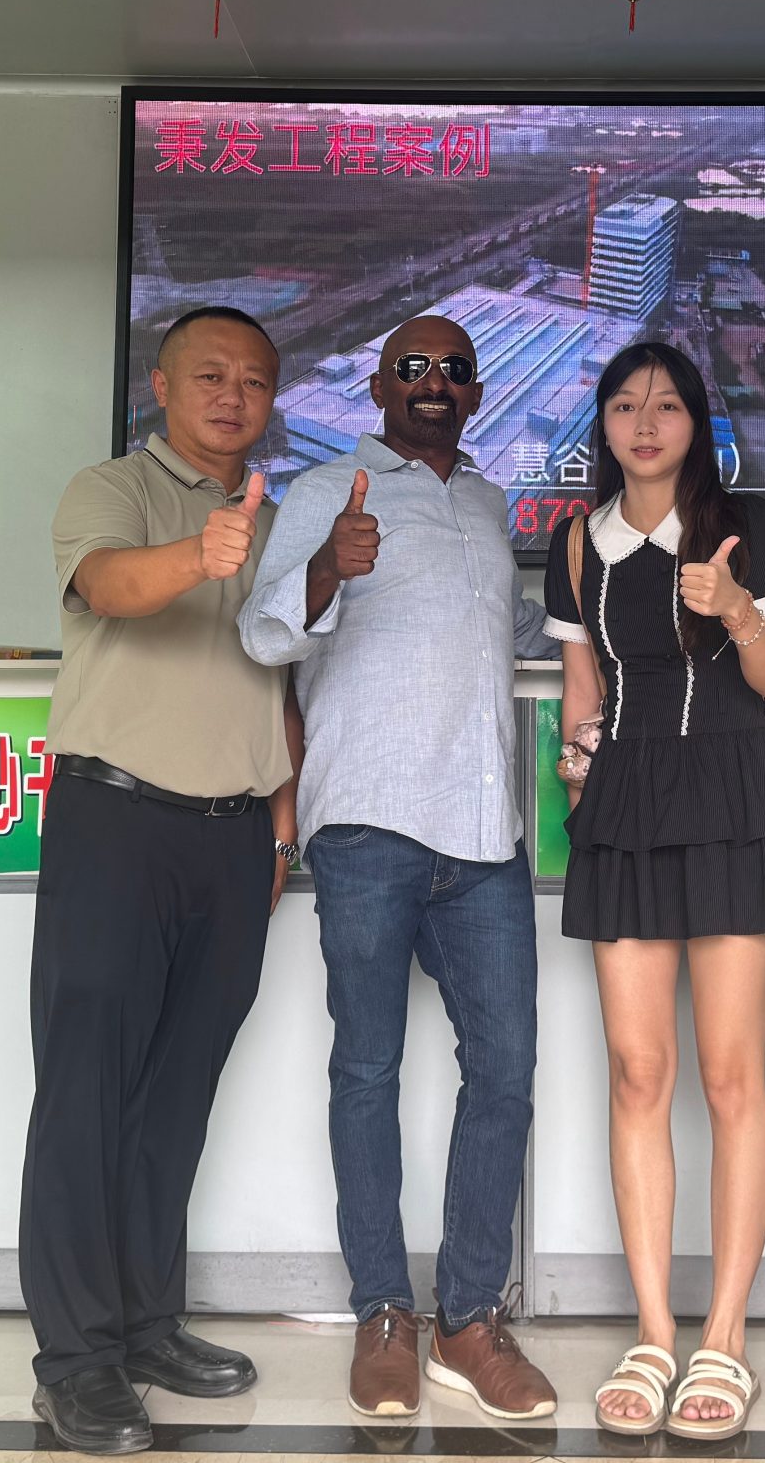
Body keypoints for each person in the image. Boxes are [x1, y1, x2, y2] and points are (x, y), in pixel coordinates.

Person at [239, 313, 561, 1427]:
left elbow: (510, 629)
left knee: (505, 1073)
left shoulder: (488, 503)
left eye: (453, 370)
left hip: (483, 834)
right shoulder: (327, 489)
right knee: (366, 1073)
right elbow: (263, 634)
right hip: (368, 824)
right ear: (378, 386)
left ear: (475, 394)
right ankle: (383, 1312)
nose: (433, 382)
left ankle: (468, 1320)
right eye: (411, 367)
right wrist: (330, 564)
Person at [21, 306, 303, 1457]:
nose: (232, 397)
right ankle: (74, 1362)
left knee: (175, 1097)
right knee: (86, 1094)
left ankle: (145, 1327)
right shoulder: (112, 489)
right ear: (163, 385)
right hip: (117, 822)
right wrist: (200, 553)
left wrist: (279, 827)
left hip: (233, 841)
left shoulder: (279, 522)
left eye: (253, 381)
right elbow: (107, 587)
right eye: (210, 376)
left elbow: (283, 682)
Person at [545, 341, 765, 1442]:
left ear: (694, 421)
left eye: (665, 405)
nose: (644, 423)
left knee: (727, 1075)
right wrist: (581, 766)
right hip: (625, 799)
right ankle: (654, 1332)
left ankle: (724, 1337)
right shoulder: (577, 541)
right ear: (604, 425)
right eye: (625, 405)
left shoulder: (747, 525)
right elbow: (584, 680)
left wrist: (736, 609)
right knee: (637, 1070)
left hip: (732, 788)